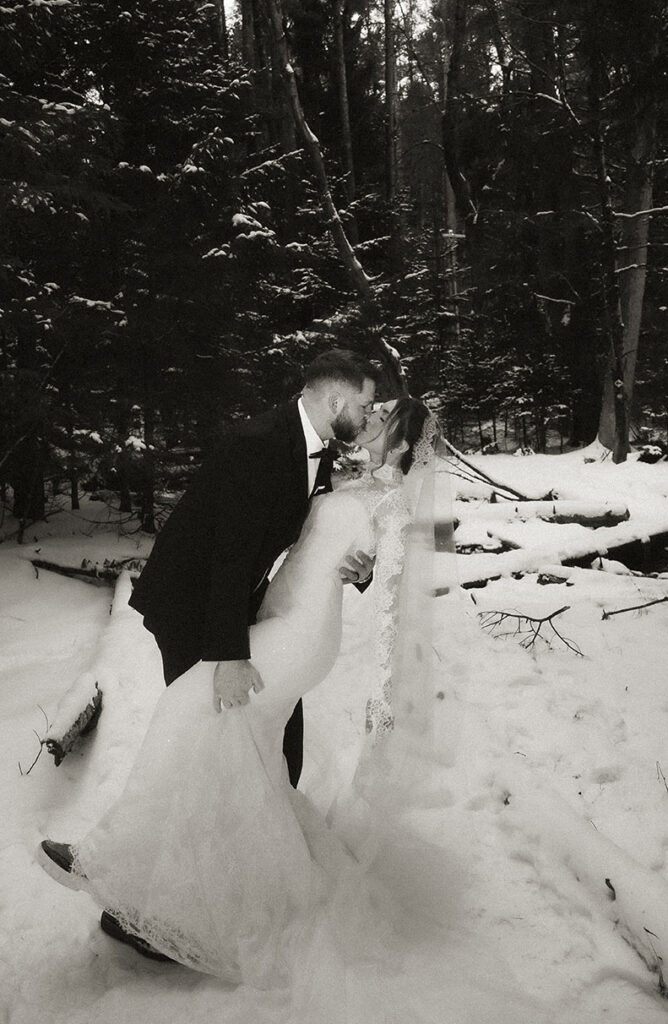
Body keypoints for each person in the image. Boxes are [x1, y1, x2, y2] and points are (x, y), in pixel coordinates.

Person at [38, 396, 436, 982]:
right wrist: (358, 560)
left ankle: (109, 861)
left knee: (187, 711)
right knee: (236, 756)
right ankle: (194, 894)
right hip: (278, 620)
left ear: (401, 444)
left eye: (383, 417)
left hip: (298, 633)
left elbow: (399, 564)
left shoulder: (389, 496)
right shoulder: (341, 469)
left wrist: (370, 567)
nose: (370, 415)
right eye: (372, 407)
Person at [127, 347, 378, 789]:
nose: (368, 415)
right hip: (188, 602)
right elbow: (230, 551)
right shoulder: (259, 443)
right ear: (336, 402)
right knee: (198, 735)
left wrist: (356, 569)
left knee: (281, 730)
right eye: (364, 406)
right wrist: (230, 656)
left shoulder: (314, 446)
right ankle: (135, 851)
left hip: (233, 597)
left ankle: (265, 842)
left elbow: (306, 532)